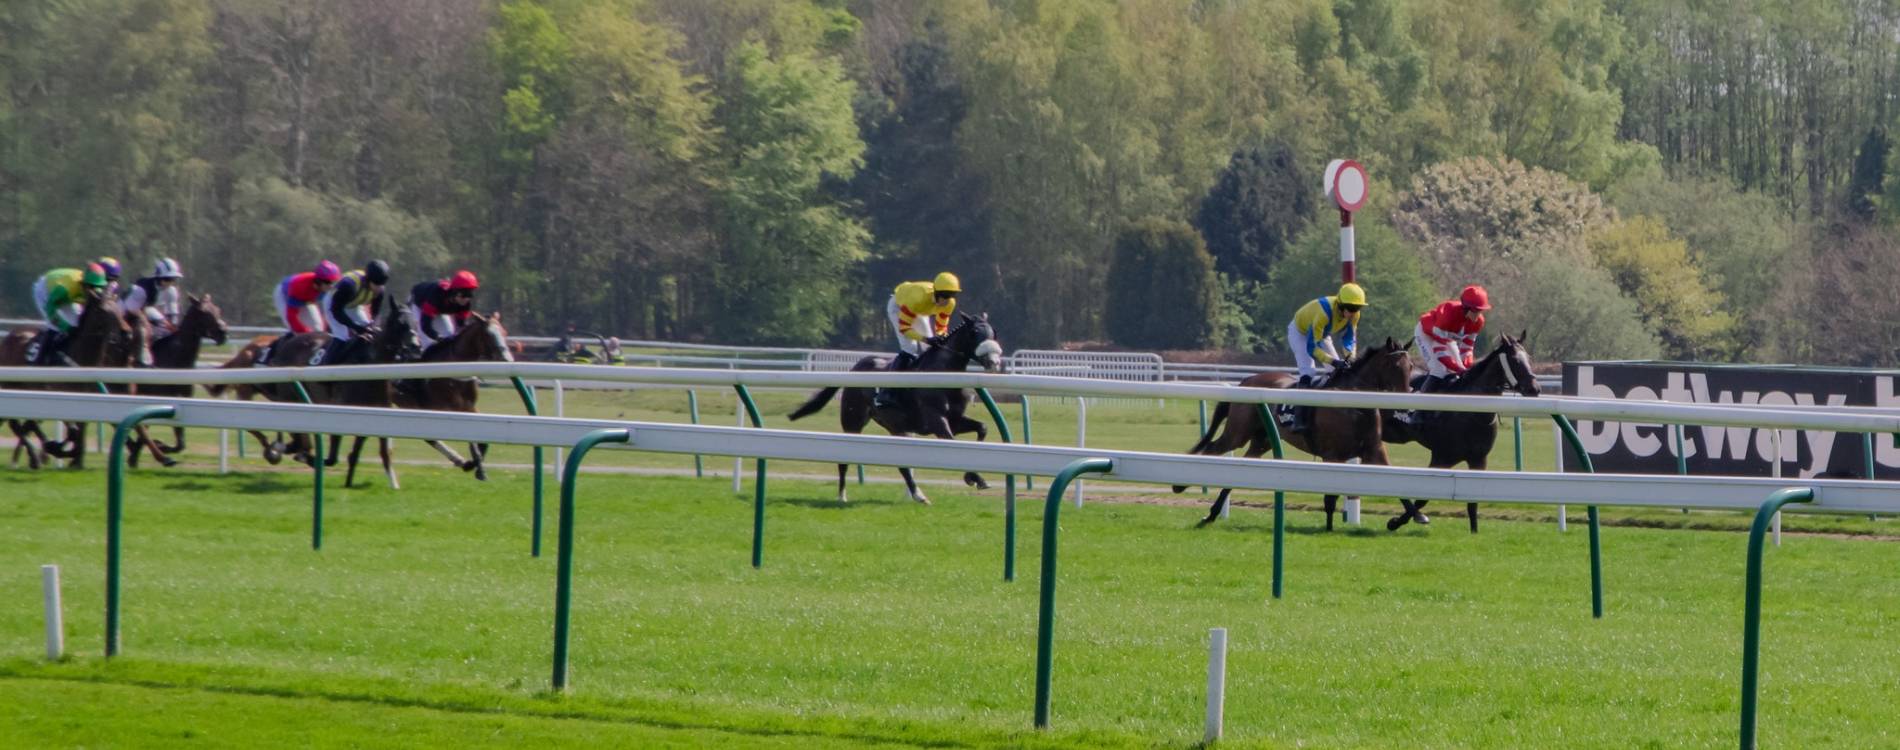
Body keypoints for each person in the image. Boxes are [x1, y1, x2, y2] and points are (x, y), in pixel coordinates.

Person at [1284, 282, 1367, 433]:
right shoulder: (1323, 313)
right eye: (1351, 309)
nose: (1354, 313)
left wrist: (1350, 357)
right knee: (1308, 371)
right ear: (1341, 305)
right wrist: (1334, 361)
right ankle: (1298, 419)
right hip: (1300, 333)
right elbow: (1312, 348)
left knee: (1338, 372)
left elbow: (1349, 339)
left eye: (1357, 309)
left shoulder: (1355, 315)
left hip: (1322, 334)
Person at [874, 272, 961, 409]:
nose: (947, 300)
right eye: (945, 295)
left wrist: (940, 336)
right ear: (937, 292)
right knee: (910, 348)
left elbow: (941, 325)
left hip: (920, 310)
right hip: (899, 307)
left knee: (931, 349)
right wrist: (926, 339)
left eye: (951, 295)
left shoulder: (950, 303)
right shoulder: (918, 299)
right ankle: (886, 392)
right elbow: (905, 329)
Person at [29, 264, 111, 365]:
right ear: (84, 284)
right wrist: (64, 326)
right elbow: (50, 309)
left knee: (75, 323)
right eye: (92, 287)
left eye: (99, 287)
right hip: (46, 291)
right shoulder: (65, 290)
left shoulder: (95, 292)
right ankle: (40, 360)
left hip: (67, 294)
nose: (95, 291)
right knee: (55, 327)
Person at [1414, 285, 1490, 393]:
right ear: (1466, 308)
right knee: (1439, 369)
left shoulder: (1479, 322)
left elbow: (1467, 348)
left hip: (1446, 338)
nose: (1478, 315)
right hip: (1426, 334)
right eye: (1475, 311)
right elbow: (1439, 351)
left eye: (1480, 311)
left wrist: (1467, 367)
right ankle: (1420, 401)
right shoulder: (1448, 315)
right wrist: (1458, 369)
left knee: (1459, 368)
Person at [408, 270, 479, 350]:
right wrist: (437, 337)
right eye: (464, 294)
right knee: (428, 343)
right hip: (418, 305)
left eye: (470, 295)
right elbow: (425, 325)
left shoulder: (465, 304)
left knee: (449, 335)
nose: (466, 299)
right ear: (455, 291)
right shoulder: (436, 295)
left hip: (438, 310)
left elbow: (460, 325)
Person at [324, 260, 391, 339]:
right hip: (333, 304)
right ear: (368, 280)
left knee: (368, 331)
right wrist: (354, 326)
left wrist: (374, 325)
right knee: (343, 336)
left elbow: (375, 312)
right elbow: (337, 311)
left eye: (381, 285)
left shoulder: (380, 290)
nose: (378, 288)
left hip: (353, 305)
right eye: (376, 284)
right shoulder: (349, 285)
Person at [273, 260, 342, 336]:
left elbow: (330, 312)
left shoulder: (326, 289)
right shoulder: (300, 288)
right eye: (328, 282)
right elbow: (291, 316)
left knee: (318, 329)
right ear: (318, 281)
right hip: (284, 294)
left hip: (307, 297)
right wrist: (303, 331)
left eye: (333, 282)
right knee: (296, 331)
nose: (331, 286)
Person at [122, 258, 185, 336]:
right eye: (167, 279)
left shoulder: (171, 291)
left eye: (173, 279)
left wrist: (172, 327)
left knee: (166, 329)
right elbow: (132, 308)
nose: (170, 283)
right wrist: (146, 323)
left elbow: (172, 316)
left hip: (146, 308)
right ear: (158, 278)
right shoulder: (142, 288)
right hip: (127, 307)